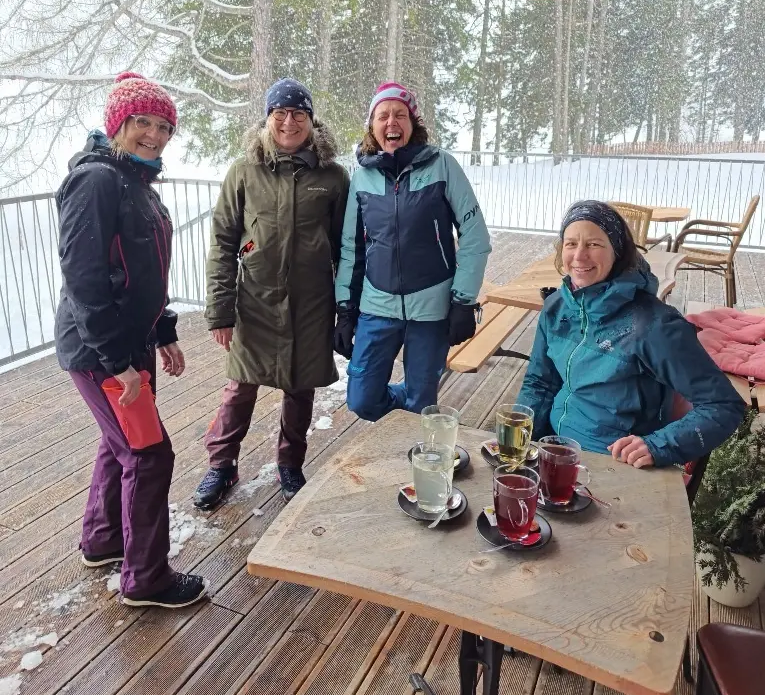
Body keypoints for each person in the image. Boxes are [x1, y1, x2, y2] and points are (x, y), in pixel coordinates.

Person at [55, 71, 207, 608]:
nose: (155, 134)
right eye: (142, 122)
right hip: (104, 353)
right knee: (148, 455)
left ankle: (103, 541)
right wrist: (118, 360)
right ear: (117, 123)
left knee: (118, 443)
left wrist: (162, 332)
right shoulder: (96, 181)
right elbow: (85, 279)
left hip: (130, 346)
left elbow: (145, 271)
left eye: (164, 125)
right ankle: (146, 579)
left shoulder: (136, 183)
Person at [194, 78, 350, 509]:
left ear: (311, 122)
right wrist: (220, 312)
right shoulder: (244, 172)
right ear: (267, 120)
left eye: (298, 113)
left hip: (311, 304)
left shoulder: (333, 177)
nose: (288, 121)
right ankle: (221, 464)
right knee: (240, 387)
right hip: (255, 303)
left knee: (300, 389)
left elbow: (346, 248)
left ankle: (290, 463)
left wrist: (345, 309)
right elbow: (224, 243)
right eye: (279, 113)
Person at [518, 200, 746, 468]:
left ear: (617, 252)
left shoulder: (653, 325)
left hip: (613, 464)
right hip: (553, 449)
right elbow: (540, 382)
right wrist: (521, 436)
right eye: (570, 243)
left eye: (594, 244)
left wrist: (658, 445)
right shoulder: (557, 307)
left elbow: (723, 405)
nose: (579, 256)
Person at [334, 81, 491, 420]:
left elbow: (475, 235)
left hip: (431, 308)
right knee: (362, 400)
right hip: (377, 304)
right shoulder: (361, 178)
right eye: (383, 116)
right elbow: (352, 247)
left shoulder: (442, 166)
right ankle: (404, 409)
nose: (392, 123)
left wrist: (463, 302)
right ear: (372, 127)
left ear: (413, 122)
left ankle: (411, 446)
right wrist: (345, 309)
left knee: (422, 404)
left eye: (400, 115)